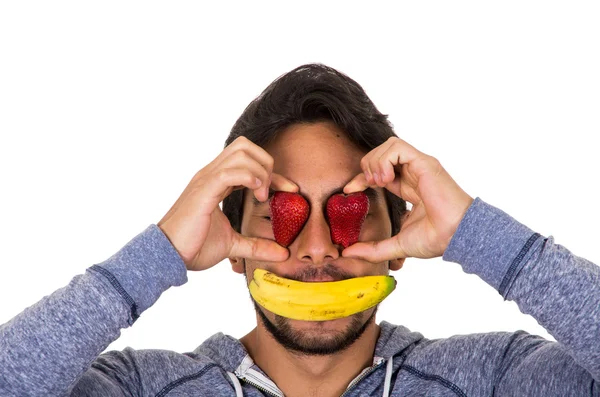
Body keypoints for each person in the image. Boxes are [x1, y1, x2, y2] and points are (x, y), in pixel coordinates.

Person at [0, 64, 598, 397]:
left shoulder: (494, 380)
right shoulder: (140, 389)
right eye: (281, 215)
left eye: (350, 212)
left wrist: (477, 232)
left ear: (403, 243)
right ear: (230, 248)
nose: (316, 249)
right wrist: (157, 255)